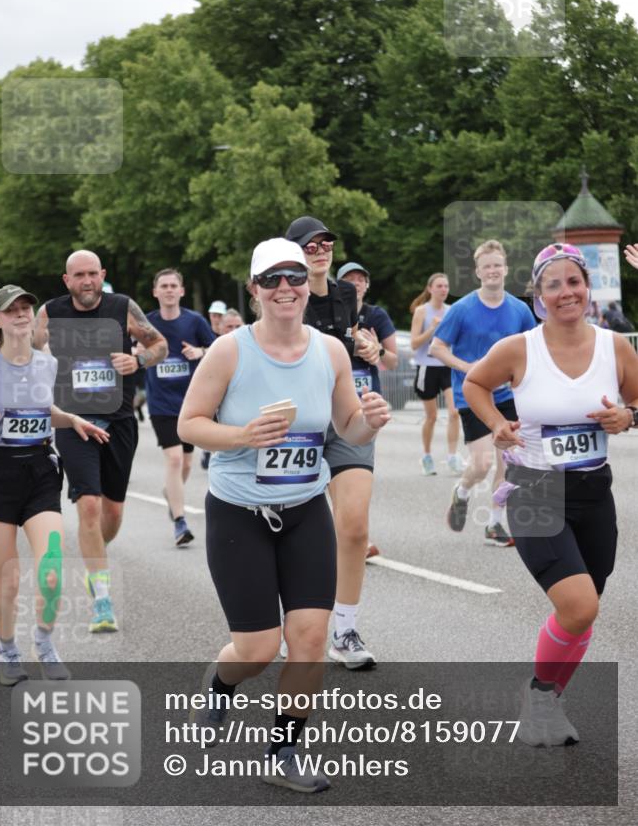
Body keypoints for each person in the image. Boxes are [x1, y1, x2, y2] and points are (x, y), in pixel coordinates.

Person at [178, 238, 390, 793]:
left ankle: (284, 751)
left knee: (310, 639)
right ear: (254, 291)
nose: (285, 289)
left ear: (306, 283)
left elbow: (347, 428)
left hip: (303, 510)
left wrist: (373, 419)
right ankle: (222, 685)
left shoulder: (331, 351)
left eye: (294, 277)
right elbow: (189, 423)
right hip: (238, 514)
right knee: (256, 649)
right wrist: (241, 436)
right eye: (271, 280)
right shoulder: (231, 351)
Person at [462, 242, 638, 746]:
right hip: (535, 487)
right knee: (579, 605)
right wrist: (497, 424)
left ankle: (545, 699)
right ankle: (540, 696)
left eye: (574, 281)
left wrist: (628, 417)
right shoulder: (521, 348)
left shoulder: (615, 346)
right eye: (553, 284)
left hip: (593, 491)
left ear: (587, 288)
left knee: (583, 611)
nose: (566, 292)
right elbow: (476, 384)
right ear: (538, 296)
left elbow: (637, 402)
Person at [0, 285, 109, 684]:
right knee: (9, 580)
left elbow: (44, 409)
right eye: (11, 310)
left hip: (39, 470)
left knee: (50, 571)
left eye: (26, 308)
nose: (20, 314)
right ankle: (7, 650)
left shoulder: (47, 364)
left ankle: (45, 644)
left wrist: (73, 420)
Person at [33, 250, 167, 633]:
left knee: (112, 514)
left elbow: (159, 346)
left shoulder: (122, 307)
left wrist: (138, 362)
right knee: (88, 506)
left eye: (93, 274)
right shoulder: (50, 313)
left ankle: (96, 556)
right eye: (79, 276)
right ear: (67, 280)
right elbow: (26, 352)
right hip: (73, 422)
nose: (87, 281)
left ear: (102, 275)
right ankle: (103, 601)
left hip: (120, 421)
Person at [285, 217, 380, 669]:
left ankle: (344, 629)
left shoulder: (347, 293)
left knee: (355, 526)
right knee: (296, 531)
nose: (320, 249)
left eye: (326, 243)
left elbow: (354, 340)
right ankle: (295, 621)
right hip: (297, 422)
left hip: (345, 417)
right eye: (310, 244)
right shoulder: (286, 295)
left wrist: (368, 348)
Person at [430, 240, 536, 546]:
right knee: (482, 464)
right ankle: (462, 491)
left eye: (497, 265)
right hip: (473, 395)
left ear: (505, 269)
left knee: (509, 461)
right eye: (486, 266)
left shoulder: (519, 309)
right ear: (478, 272)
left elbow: (532, 347)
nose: (492, 271)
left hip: (508, 397)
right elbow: (437, 347)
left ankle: (495, 523)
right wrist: (467, 367)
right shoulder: (462, 308)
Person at [145, 268, 215, 546]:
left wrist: (200, 352)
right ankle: (180, 521)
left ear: (182, 291)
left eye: (174, 285)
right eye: (164, 285)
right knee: (174, 459)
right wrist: (139, 354)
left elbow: (219, 350)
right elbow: (129, 352)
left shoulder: (194, 322)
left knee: (186, 462)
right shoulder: (146, 324)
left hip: (190, 402)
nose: (170, 290)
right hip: (160, 403)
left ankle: (171, 494)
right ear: (156, 292)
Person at [336, 260, 397, 560]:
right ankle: (343, 531)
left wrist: (378, 350)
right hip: (333, 400)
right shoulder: (329, 312)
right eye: (349, 279)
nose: (356, 283)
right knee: (329, 473)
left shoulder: (376, 315)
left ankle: (358, 534)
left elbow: (394, 360)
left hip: (366, 404)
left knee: (359, 471)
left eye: (361, 279)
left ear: (367, 285)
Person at [409, 273, 464, 476]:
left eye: (446, 286)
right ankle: (426, 456)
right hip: (426, 367)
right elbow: (414, 344)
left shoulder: (452, 311)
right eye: (439, 286)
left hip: (447, 365)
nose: (443, 289)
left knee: (454, 412)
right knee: (431, 417)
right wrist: (432, 328)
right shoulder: (422, 311)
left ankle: (452, 456)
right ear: (430, 288)